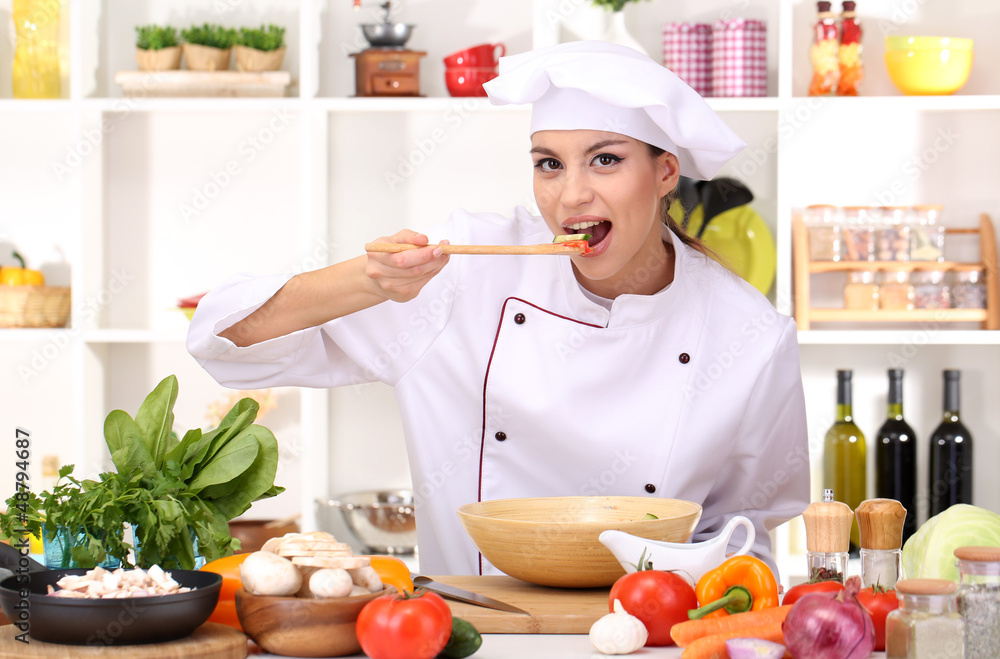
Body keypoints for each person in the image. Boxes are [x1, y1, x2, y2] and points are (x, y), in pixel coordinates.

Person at [187, 41, 809, 578]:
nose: (572, 194)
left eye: (606, 159)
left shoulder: (748, 333)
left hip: (646, 631)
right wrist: (368, 280)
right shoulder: (466, 273)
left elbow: (744, 532)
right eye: (549, 164)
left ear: (666, 170)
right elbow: (224, 338)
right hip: (474, 628)